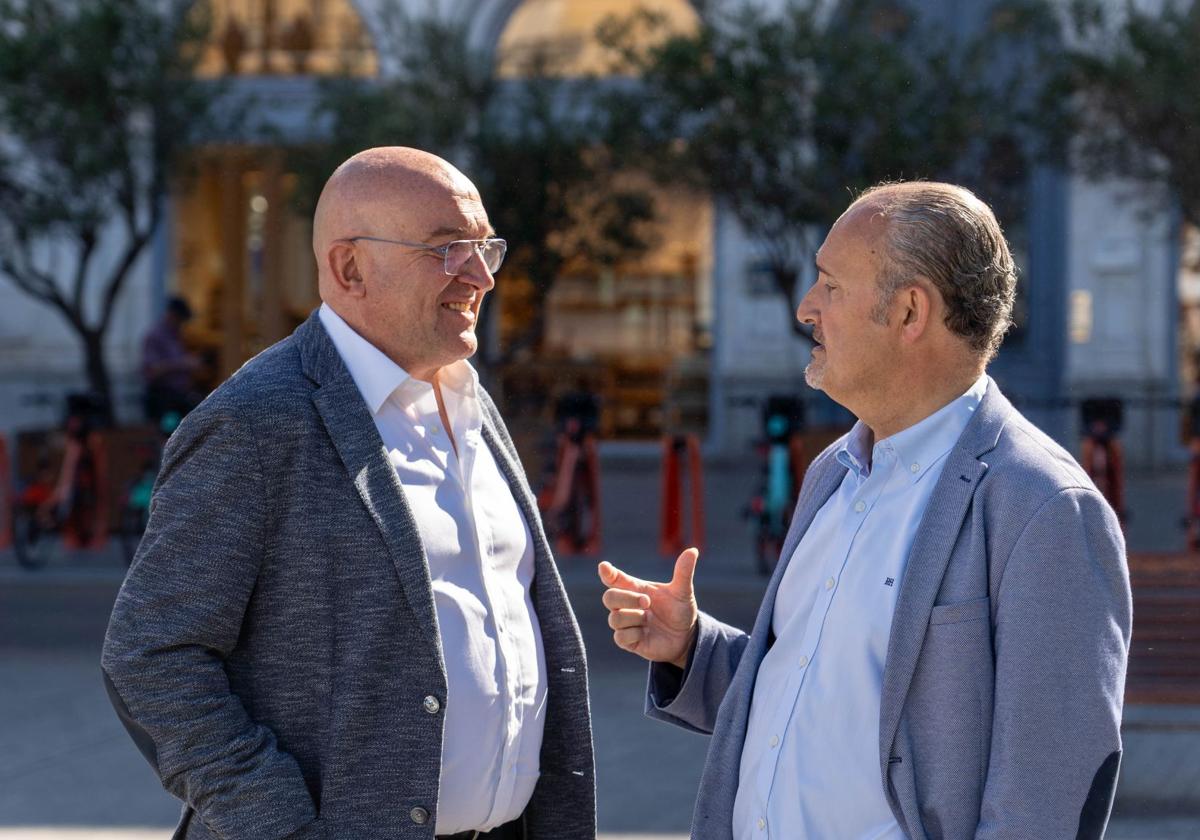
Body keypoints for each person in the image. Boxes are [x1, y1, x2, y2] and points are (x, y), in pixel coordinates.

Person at [599, 182, 1130, 839]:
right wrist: (692, 647)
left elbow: (1045, 803)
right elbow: (819, 693)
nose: (805, 308)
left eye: (830, 285)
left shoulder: (1041, 507)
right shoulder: (833, 472)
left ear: (910, 312)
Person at [103, 147, 595, 840]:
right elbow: (150, 656)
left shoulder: (467, 398)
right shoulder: (257, 422)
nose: (481, 275)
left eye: (485, 247)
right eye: (448, 249)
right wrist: (279, 824)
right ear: (349, 268)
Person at [141, 295, 202, 423]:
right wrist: (182, 364)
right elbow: (152, 370)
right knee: (169, 434)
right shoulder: (155, 337)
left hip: (179, 396)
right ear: (172, 315)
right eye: (180, 320)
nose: (181, 325)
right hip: (164, 399)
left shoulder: (176, 336)